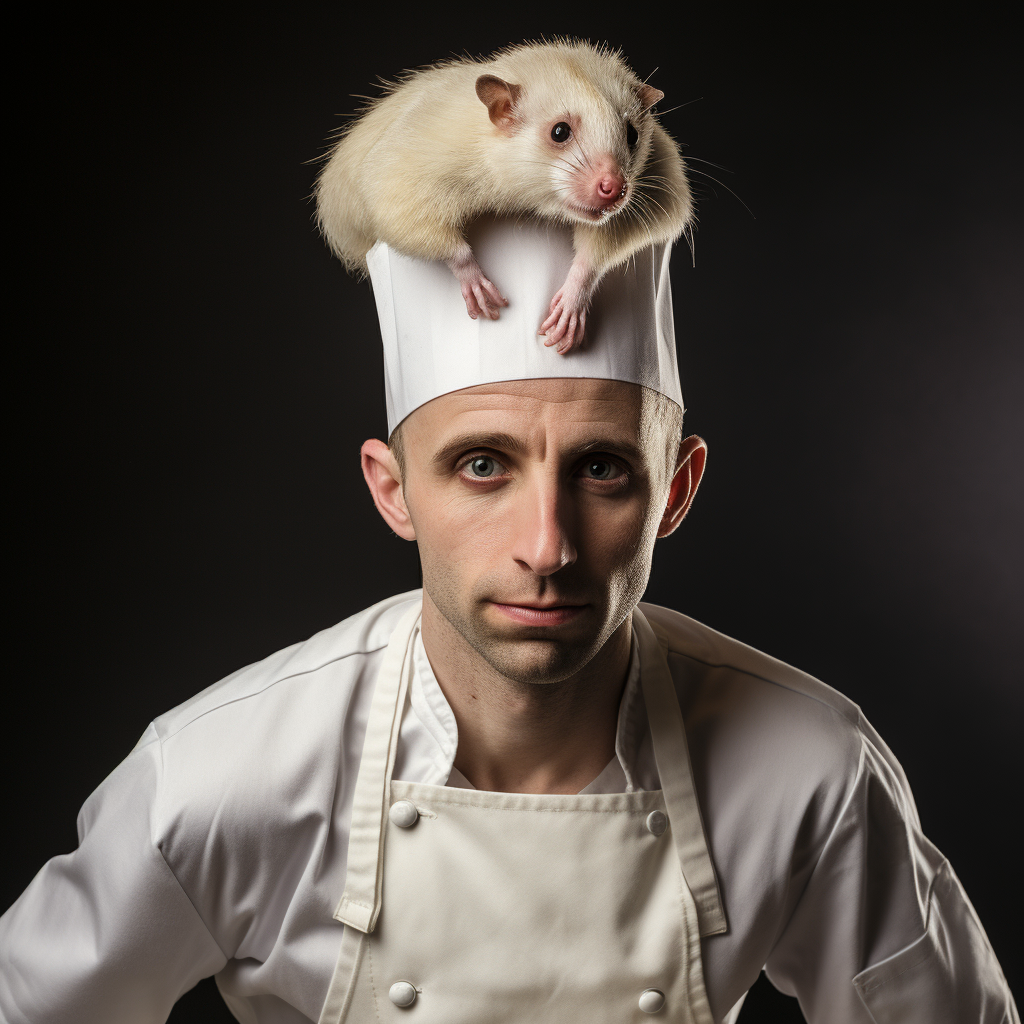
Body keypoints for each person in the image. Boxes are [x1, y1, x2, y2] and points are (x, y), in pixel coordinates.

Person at [0, 217, 1017, 1024]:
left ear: (676, 488)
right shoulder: (219, 776)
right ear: (392, 489)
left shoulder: (811, 771)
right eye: (481, 464)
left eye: (602, 468)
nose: (547, 543)